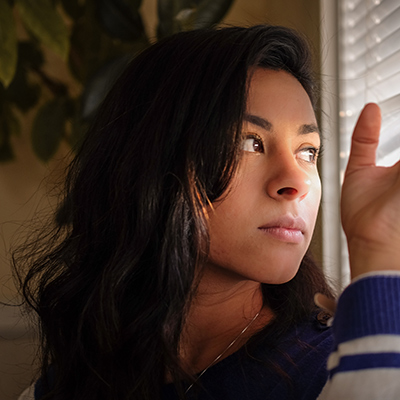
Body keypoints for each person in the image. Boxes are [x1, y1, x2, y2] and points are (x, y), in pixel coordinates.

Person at [15, 25, 400, 400]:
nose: (295, 182)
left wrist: (378, 260)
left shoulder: (340, 368)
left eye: (307, 151)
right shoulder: (75, 377)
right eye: (249, 142)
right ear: (154, 160)